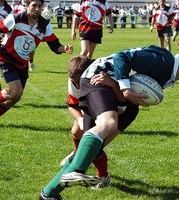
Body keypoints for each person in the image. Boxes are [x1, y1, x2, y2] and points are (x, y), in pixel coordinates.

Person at [39, 45, 179, 199]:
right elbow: (122, 57)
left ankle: (48, 193)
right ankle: (75, 171)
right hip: (98, 79)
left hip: (126, 105)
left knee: (93, 150)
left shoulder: (170, 75)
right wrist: (124, 88)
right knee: (108, 123)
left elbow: (128, 95)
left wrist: (121, 89)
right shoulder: (165, 60)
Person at [0, 0, 73, 126]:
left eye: (40, 6)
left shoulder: (45, 25)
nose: (37, 9)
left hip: (22, 63)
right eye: (34, 5)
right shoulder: (15, 18)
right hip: (7, 59)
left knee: (15, 97)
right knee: (15, 91)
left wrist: (64, 48)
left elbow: (54, 45)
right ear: (27, 6)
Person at [11, 0, 36, 72]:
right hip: (16, 30)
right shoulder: (15, 6)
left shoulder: (30, 6)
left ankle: (30, 62)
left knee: (30, 49)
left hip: (29, 30)